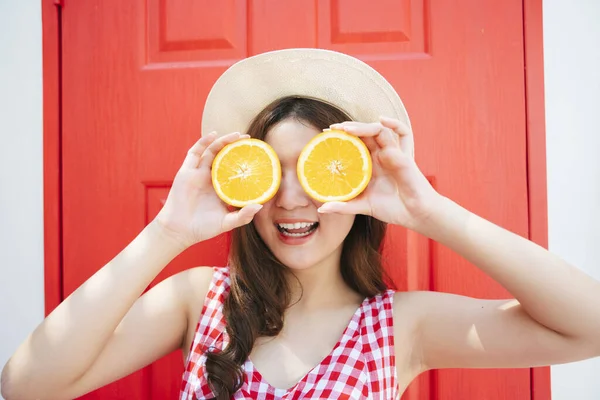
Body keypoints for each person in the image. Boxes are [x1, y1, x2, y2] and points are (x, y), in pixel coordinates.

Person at [2, 48, 600, 400]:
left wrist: (429, 211)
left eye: (319, 172)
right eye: (271, 172)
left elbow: (590, 327)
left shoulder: (400, 328)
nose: (292, 198)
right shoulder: (196, 301)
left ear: (356, 183)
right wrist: (168, 233)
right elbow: (24, 386)